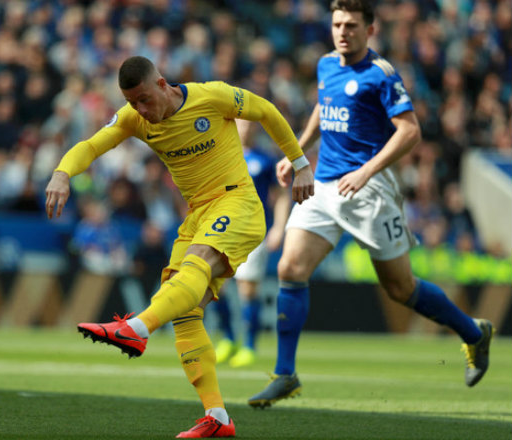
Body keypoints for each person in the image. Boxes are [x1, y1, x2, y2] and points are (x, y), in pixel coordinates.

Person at [45, 55, 314, 438]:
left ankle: (137, 328)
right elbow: (90, 146)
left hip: (237, 203)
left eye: (143, 99)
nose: (139, 109)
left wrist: (300, 163)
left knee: (195, 265)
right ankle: (217, 417)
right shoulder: (134, 119)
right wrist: (61, 173)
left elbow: (266, 110)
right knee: (186, 312)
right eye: (131, 102)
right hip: (197, 216)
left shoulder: (211, 97)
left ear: (162, 84)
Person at [247, 0, 494, 409]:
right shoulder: (327, 64)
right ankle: (285, 374)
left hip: (370, 191)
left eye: (352, 25)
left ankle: (472, 332)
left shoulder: (381, 75)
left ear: (370, 30)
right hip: (324, 187)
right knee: (290, 267)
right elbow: (323, 109)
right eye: (337, 24)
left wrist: (366, 171)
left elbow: (410, 131)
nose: (343, 32)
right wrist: (298, 153)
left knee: (400, 288)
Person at [213, 119, 291, 368]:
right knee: (214, 285)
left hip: (253, 231)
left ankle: (249, 345)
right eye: (240, 124)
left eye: (249, 124)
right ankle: (227, 338)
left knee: (248, 288)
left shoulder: (265, 160)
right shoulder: (220, 155)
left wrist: (279, 227)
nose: (245, 128)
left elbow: (279, 196)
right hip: (224, 231)